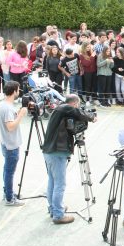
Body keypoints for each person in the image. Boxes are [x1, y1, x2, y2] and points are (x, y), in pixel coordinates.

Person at [43, 94, 97, 224]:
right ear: (74, 104)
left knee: (52, 181)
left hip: (49, 151)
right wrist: (92, 117)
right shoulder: (65, 108)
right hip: (57, 152)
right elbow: (78, 113)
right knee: (60, 184)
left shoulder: (59, 110)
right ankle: (58, 214)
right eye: (77, 106)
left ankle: (54, 208)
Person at [0, 81, 28, 206]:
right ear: (14, 91)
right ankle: (10, 198)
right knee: (10, 171)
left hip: (5, 142)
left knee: (7, 169)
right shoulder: (8, 108)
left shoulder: (3, 104)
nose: (19, 91)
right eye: (18, 89)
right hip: (11, 144)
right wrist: (20, 115)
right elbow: (10, 127)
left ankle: (7, 192)